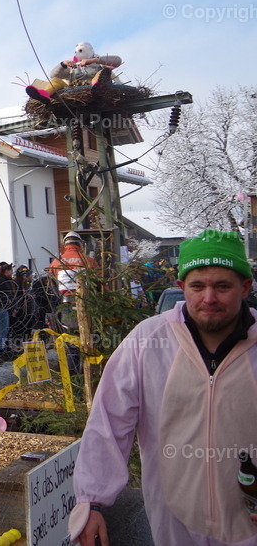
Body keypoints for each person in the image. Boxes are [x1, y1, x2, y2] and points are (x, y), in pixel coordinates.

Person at [70, 229, 257, 545]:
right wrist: (91, 500)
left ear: (245, 287)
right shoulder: (148, 341)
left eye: (222, 286)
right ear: (182, 287)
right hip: (174, 526)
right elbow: (108, 422)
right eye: (197, 286)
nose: (208, 298)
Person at [0, 263, 17, 360]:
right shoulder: (2, 281)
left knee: (5, 330)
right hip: (2, 307)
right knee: (3, 330)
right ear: (6, 271)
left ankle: (4, 349)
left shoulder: (4, 281)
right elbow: (4, 296)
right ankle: (0, 350)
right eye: (10, 270)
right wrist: (10, 304)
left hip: (5, 307)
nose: (12, 272)